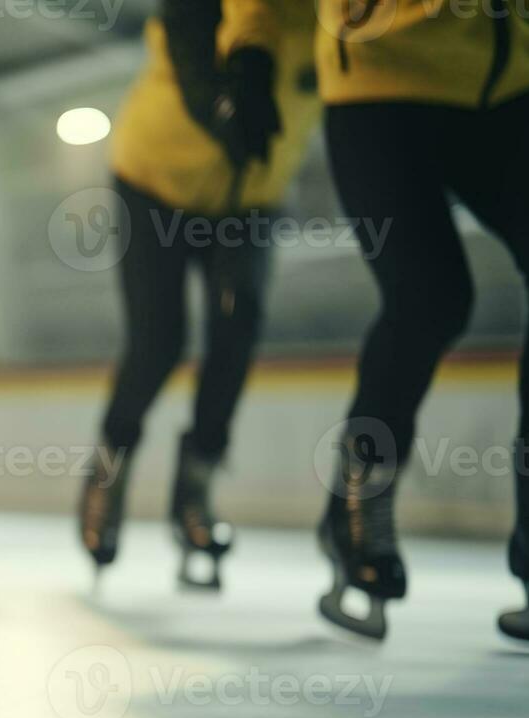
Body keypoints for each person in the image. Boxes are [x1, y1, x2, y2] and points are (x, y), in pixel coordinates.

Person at [221, 0, 529, 641]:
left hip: (510, 86)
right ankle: (358, 506)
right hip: (379, 82)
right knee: (429, 297)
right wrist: (250, 51)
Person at [80, 0, 320, 591]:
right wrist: (224, 101)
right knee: (159, 341)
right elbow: (189, 48)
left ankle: (195, 491)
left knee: (239, 326)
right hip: (156, 181)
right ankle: (108, 475)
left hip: (252, 195)